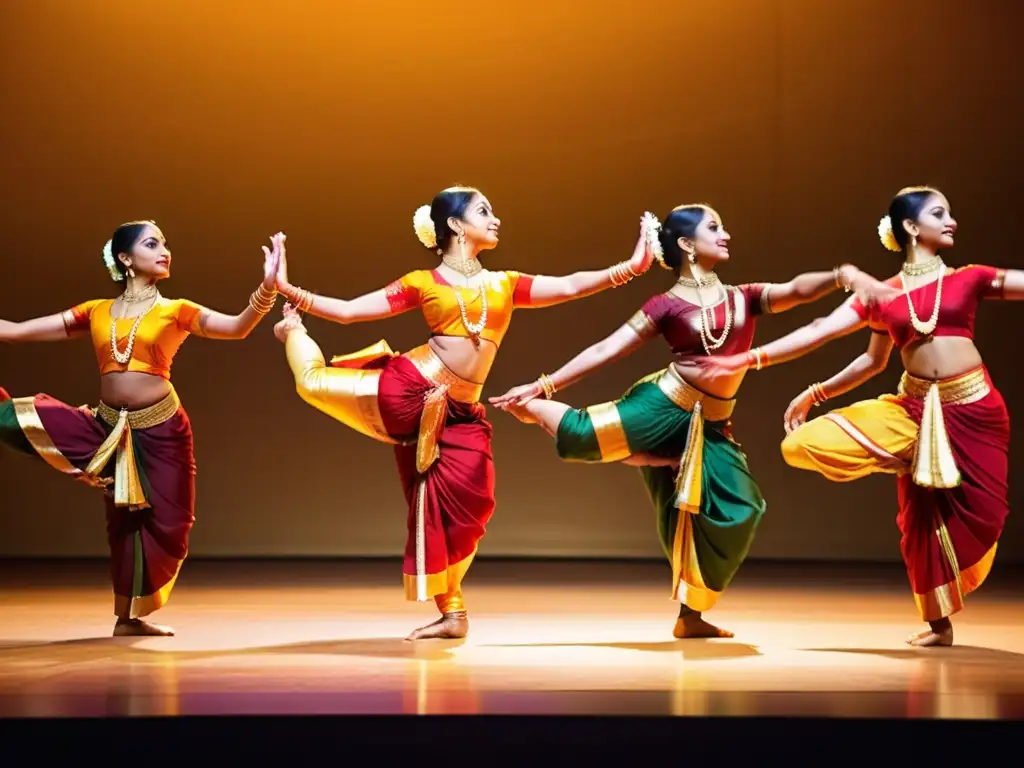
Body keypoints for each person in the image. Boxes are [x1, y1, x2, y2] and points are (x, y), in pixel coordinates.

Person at [270, 185, 656, 641]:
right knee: (313, 382)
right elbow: (353, 312)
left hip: (460, 413)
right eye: (484, 211)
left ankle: (452, 615)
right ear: (454, 224)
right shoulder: (423, 282)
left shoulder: (505, 284)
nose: (496, 220)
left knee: (471, 504)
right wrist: (286, 289)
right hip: (409, 389)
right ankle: (290, 331)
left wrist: (632, 268)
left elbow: (570, 285)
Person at [488, 204, 892, 638]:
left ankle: (690, 616)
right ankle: (533, 408)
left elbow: (796, 290)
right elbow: (607, 349)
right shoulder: (665, 305)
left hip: (713, 421)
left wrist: (841, 275)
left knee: (741, 507)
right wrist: (544, 386)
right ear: (686, 245)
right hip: (665, 404)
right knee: (583, 437)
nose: (726, 235)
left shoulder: (744, 296)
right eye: (714, 228)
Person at [681, 186, 1018, 647]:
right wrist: (781, 376)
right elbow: (837, 341)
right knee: (799, 445)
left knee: (959, 515)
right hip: (913, 409)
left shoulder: (970, 278)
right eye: (940, 213)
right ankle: (908, 455)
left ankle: (939, 624)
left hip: (974, 411)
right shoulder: (882, 294)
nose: (952, 220)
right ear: (911, 228)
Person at [0, 221, 282, 636]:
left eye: (166, 244)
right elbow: (15, 333)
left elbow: (237, 328)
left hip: (162, 431)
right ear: (126, 259)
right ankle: (127, 615)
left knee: (167, 523)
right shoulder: (95, 311)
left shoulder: (176, 310)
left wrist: (268, 287)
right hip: (106, 427)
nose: (165, 251)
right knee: (20, 420)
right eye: (152, 244)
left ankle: (128, 619)